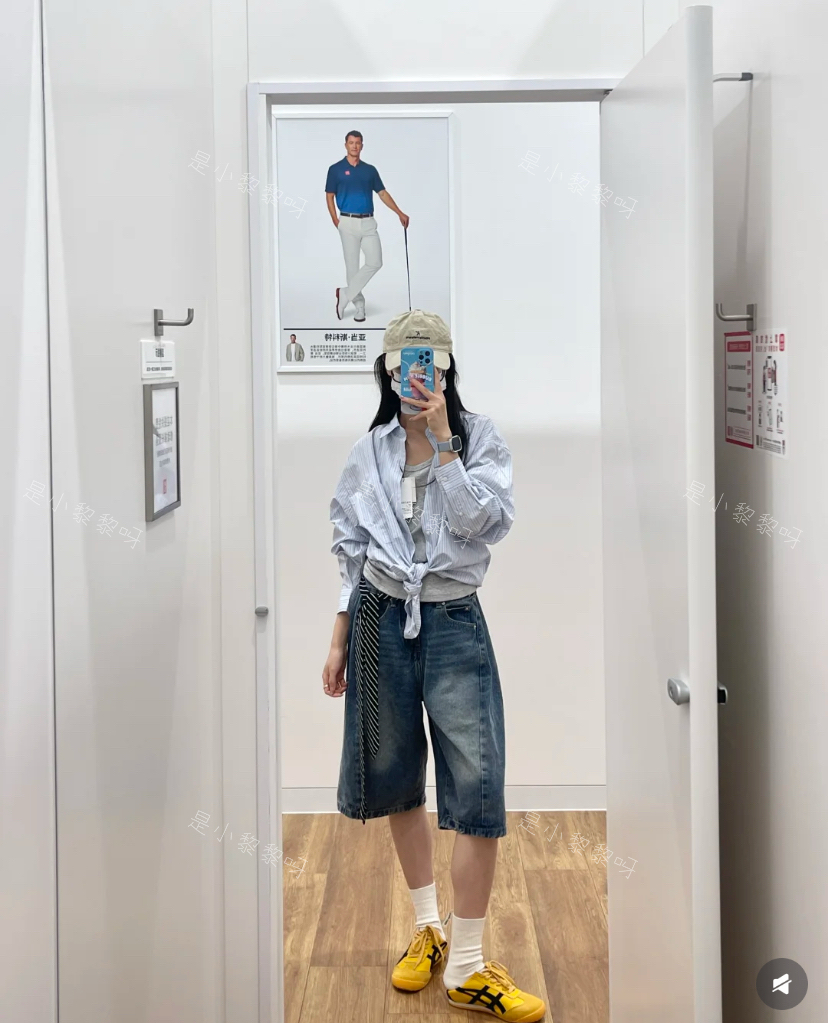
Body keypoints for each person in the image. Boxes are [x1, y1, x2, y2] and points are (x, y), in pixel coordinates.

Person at [322, 309, 546, 1021]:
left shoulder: (481, 439)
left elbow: (487, 524)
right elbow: (351, 547)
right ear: (388, 373)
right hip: (379, 617)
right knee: (395, 777)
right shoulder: (369, 452)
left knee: (477, 785)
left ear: (447, 370)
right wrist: (338, 638)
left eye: (431, 365)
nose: (418, 377)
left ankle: (469, 965)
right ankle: (428, 927)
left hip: (453, 619)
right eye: (405, 366)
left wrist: (446, 445)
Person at [325, 130, 410, 323]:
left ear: (362, 146)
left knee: (375, 261)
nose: (354, 146)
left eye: (358, 143)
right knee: (352, 267)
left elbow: (382, 194)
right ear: (345, 145)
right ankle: (359, 307)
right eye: (351, 142)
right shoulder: (335, 169)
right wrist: (335, 219)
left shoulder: (370, 170)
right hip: (347, 221)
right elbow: (329, 195)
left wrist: (399, 212)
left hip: (369, 222)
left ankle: (345, 293)